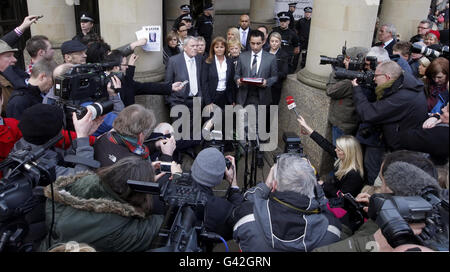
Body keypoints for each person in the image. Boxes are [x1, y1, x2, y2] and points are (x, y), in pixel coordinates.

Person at [313, 150, 443, 252]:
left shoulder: (396, 241)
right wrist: (372, 216)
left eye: (381, 181)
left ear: (393, 189)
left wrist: (372, 242)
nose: (379, 188)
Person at [39, 156, 164, 252]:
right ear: (137, 194)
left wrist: (143, 173)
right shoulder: (118, 231)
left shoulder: (78, 184)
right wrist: (175, 178)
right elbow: (160, 223)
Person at [231, 154, 341, 252]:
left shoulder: (247, 217)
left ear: (274, 186)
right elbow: (326, 207)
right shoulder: (332, 231)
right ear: (312, 187)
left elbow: (245, 202)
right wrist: (313, 181)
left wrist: (267, 185)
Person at [352, 61, 428, 152]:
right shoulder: (405, 83)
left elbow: (368, 113)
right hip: (401, 143)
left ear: (387, 77)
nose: (373, 79)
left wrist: (357, 89)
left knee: (371, 164)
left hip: (400, 149)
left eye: (376, 76)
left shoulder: (401, 97)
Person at [297, 115, 365, 199]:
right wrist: (306, 127)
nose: (335, 150)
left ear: (348, 153)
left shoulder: (354, 175)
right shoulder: (342, 158)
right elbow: (325, 144)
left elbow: (342, 198)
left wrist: (324, 185)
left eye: (339, 149)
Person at [94, 104, 176, 167]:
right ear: (141, 135)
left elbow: (133, 149)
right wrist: (167, 156)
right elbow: (159, 185)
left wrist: (155, 145)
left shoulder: (104, 138)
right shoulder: (136, 164)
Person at [189, 148, 242, 243]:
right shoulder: (218, 207)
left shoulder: (174, 184)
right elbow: (240, 216)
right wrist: (233, 183)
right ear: (219, 179)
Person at [103, 50, 183, 107]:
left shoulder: (124, 80)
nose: (127, 67)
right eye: (125, 64)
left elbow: (147, 87)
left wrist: (170, 87)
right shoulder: (103, 85)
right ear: (116, 68)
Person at [326, 47, 369, 144]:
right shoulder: (361, 76)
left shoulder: (351, 81)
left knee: (339, 155)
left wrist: (335, 72)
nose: (344, 61)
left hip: (343, 126)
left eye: (348, 59)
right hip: (347, 124)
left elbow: (330, 91)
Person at [235, 30, 278, 108]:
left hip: (261, 97)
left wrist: (267, 82)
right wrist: (238, 80)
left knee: (258, 120)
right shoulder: (242, 56)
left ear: (263, 42)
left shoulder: (271, 58)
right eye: (252, 43)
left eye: (258, 43)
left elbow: (275, 77)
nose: (255, 47)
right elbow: (237, 75)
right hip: (244, 96)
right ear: (249, 42)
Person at [201, 37, 235, 111]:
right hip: (212, 97)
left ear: (225, 48)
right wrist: (208, 101)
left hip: (226, 97)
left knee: (225, 121)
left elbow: (232, 83)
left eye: (221, 47)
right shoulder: (207, 62)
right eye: (217, 47)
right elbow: (204, 83)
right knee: (212, 121)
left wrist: (232, 100)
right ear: (213, 48)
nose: (219, 49)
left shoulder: (230, 62)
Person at [265, 32, 289, 106]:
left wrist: (272, 74)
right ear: (269, 42)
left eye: (276, 41)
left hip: (275, 87)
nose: (274, 43)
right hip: (263, 85)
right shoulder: (264, 51)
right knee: (261, 109)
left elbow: (284, 73)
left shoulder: (283, 55)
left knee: (272, 109)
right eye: (272, 41)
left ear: (280, 42)